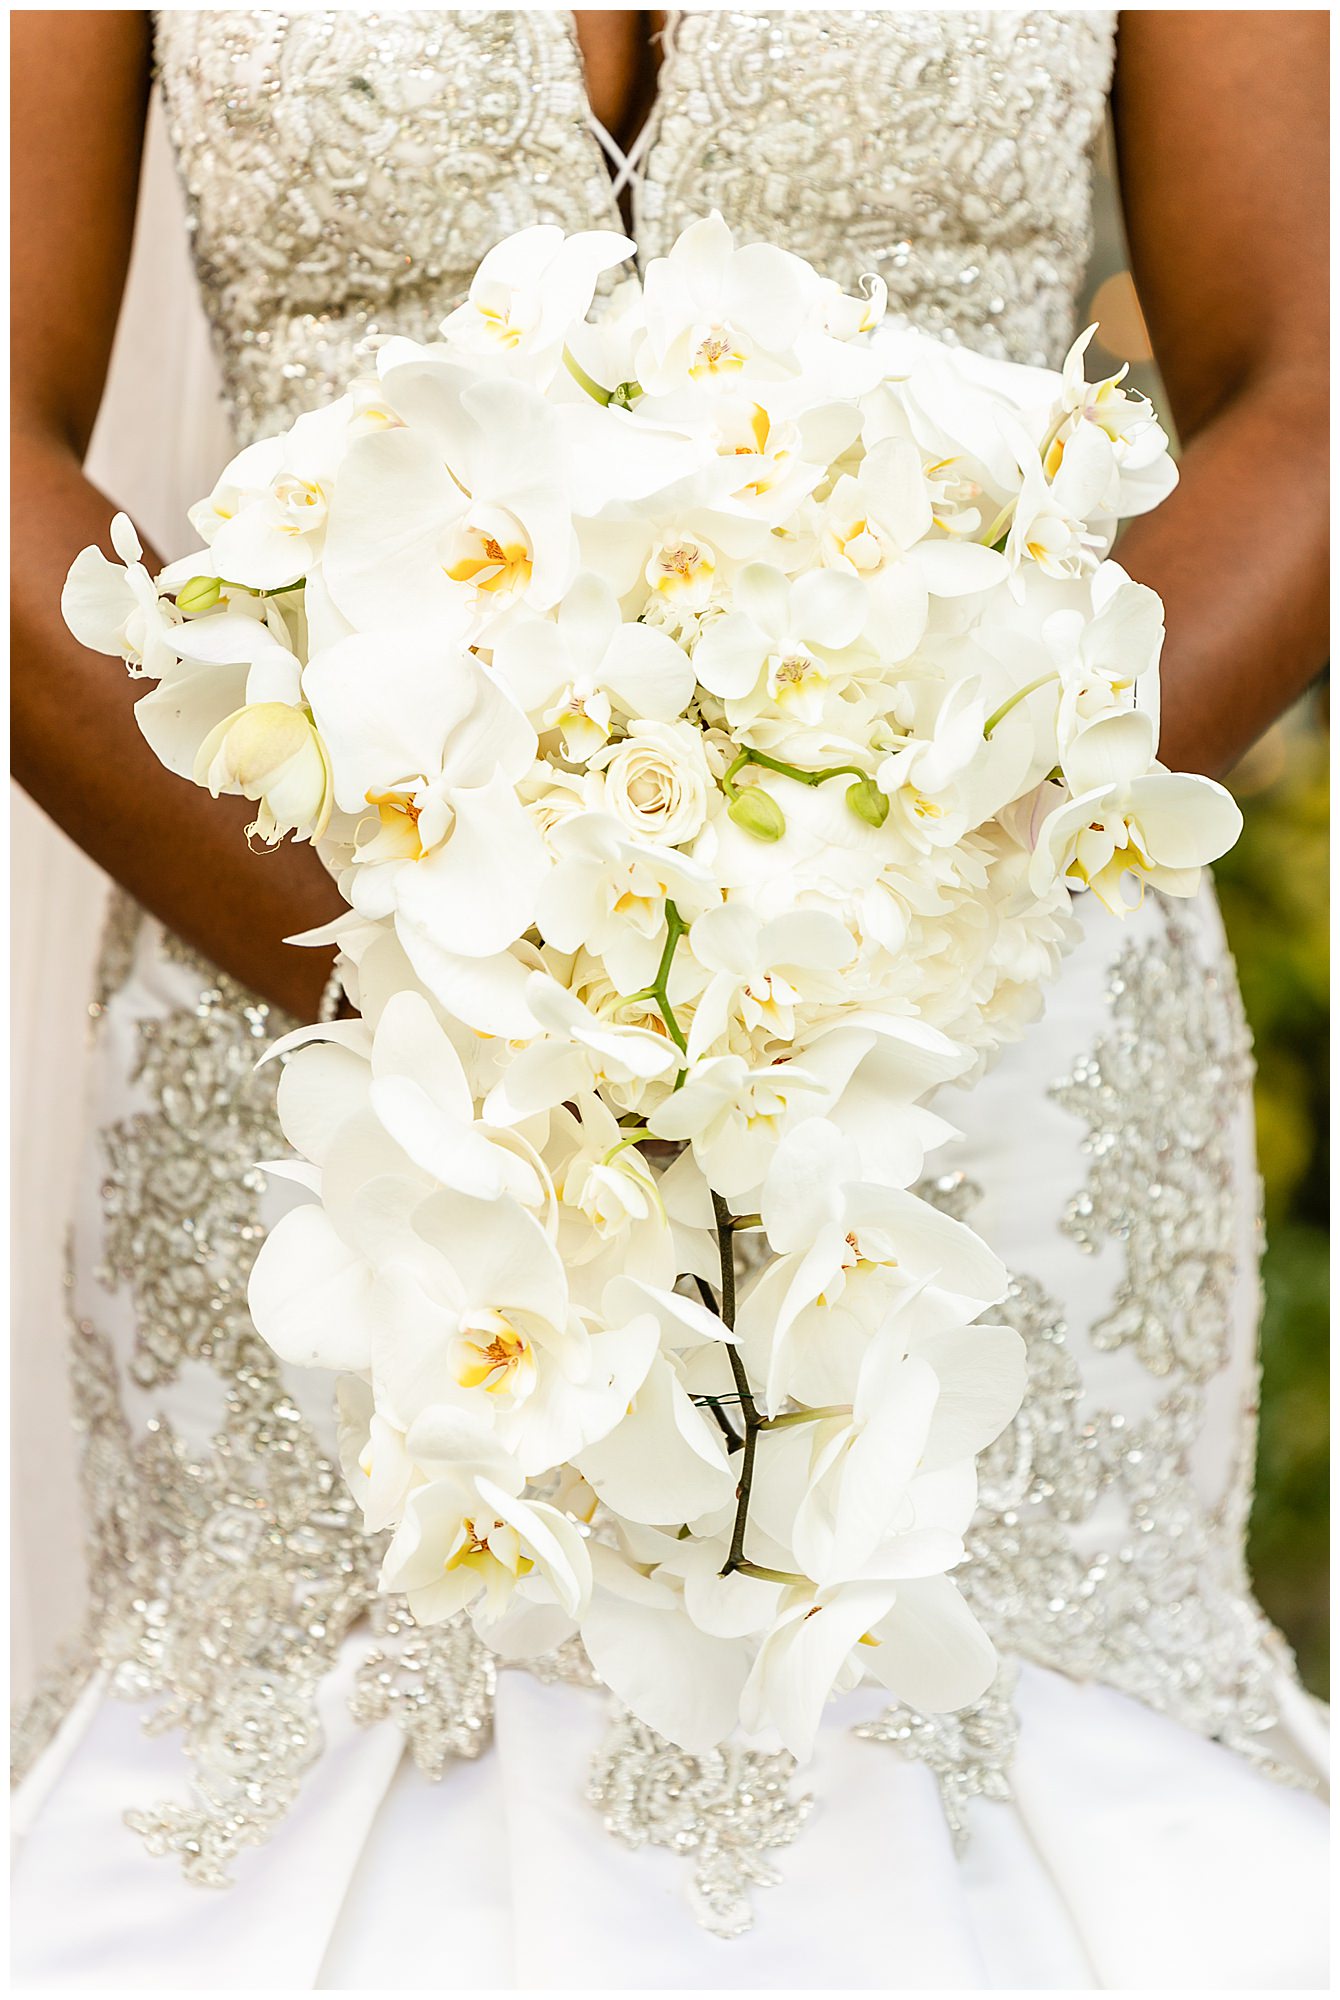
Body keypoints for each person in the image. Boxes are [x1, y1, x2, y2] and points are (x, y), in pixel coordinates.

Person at [10, 10, 1328, 1988]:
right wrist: (440, 966)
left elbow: (1305, 391)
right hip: (310, 1017)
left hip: (968, 1031)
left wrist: (904, 893)